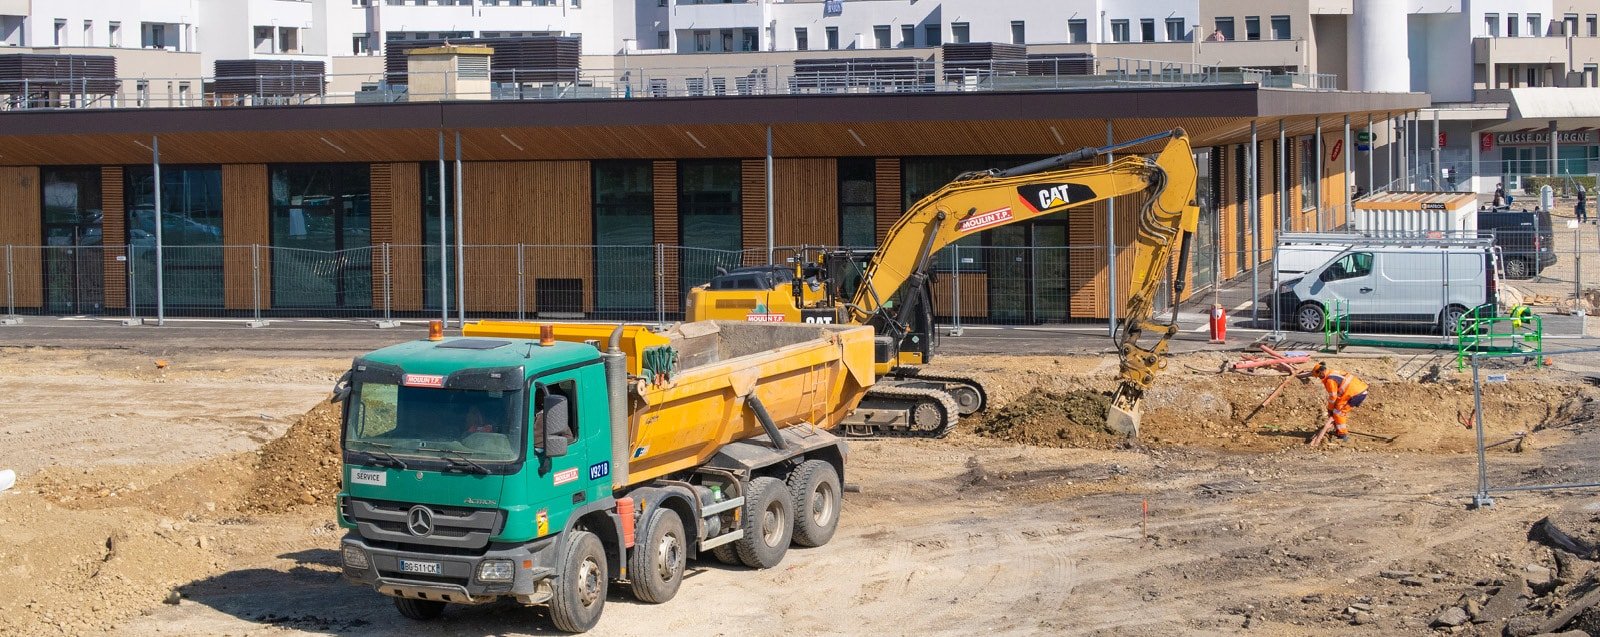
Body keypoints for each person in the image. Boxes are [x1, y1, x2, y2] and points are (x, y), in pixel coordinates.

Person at [1312, 362, 1369, 442]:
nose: (1319, 378)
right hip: (1358, 391)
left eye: (1319, 376)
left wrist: (1330, 409)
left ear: (1321, 372)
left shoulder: (1330, 380)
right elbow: (1340, 392)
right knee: (1338, 408)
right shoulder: (1332, 372)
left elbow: (1333, 397)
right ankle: (1338, 429)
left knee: (1338, 412)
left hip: (1355, 395)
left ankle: (1343, 435)